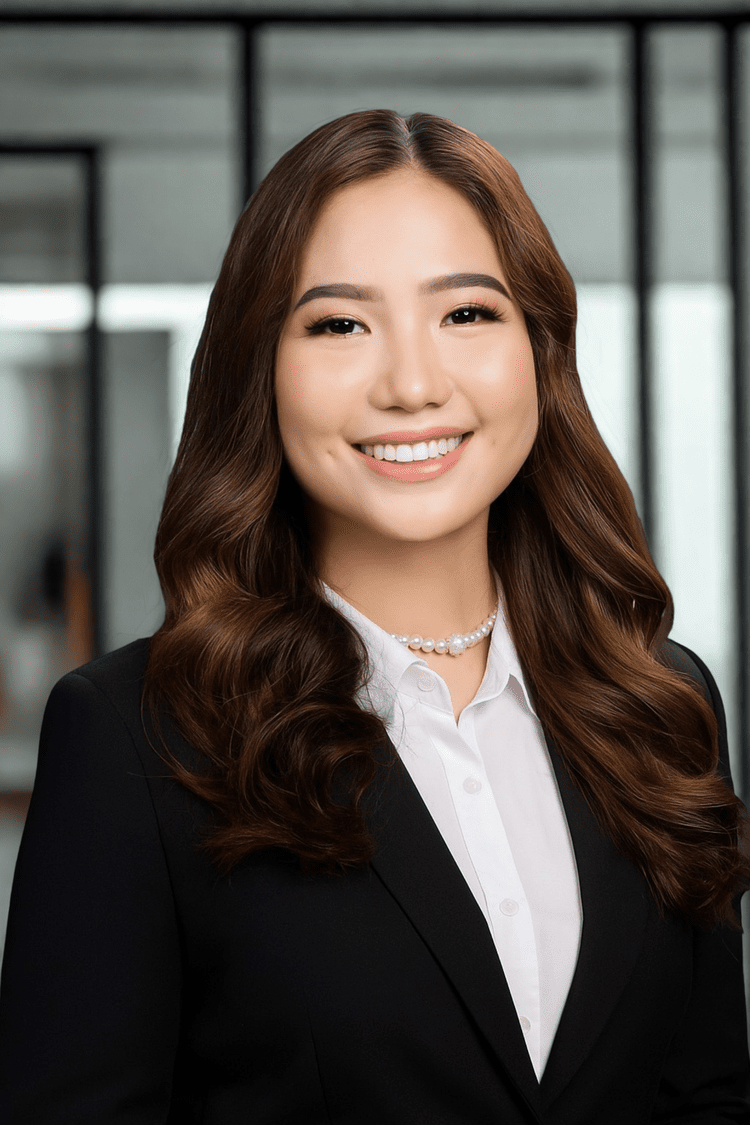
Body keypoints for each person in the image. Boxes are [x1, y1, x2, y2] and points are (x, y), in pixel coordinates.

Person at [0, 109, 748, 1125]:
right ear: (257, 369)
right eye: (339, 323)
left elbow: (703, 1093)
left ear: (541, 350)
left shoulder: (661, 702)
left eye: (468, 314)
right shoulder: (135, 736)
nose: (411, 383)